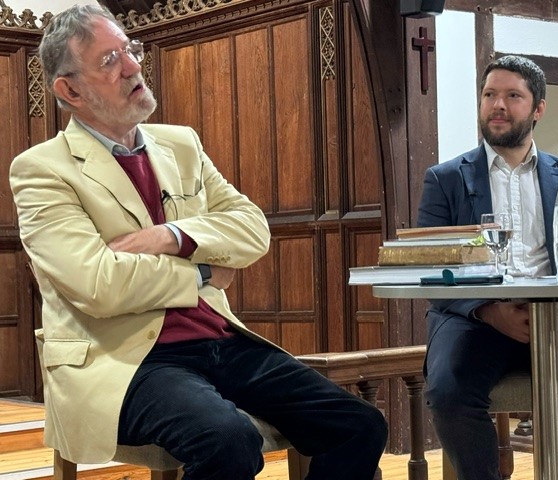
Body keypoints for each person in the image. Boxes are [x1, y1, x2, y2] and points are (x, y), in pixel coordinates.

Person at [10, 5, 387, 480]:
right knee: (227, 439)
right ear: (69, 90)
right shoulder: (42, 169)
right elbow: (97, 285)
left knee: (359, 425)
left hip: (216, 339)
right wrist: (204, 272)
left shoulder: (180, 144)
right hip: (122, 360)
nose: (132, 66)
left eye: (130, 50)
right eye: (109, 60)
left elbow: (252, 229)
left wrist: (169, 236)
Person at [417, 55, 558, 480]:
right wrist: (488, 310)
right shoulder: (445, 179)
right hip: (475, 318)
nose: (498, 104)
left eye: (512, 95)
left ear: (538, 108)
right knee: (448, 392)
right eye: (489, 95)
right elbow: (431, 269)